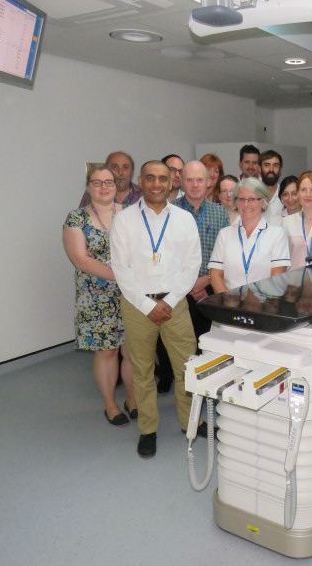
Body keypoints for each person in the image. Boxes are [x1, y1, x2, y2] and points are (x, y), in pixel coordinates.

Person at [110, 160, 202, 458]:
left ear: (171, 181)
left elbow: (192, 265)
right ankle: (148, 429)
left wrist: (170, 301)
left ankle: (191, 421)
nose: (157, 184)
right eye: (150, 178)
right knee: (143, 369)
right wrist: (149, 305)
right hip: (138, 305)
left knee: (187, 367)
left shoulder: (183, 219)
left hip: (175, 303)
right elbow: (121, 270)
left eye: (163, 178)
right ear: (141, 181)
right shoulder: (124, 220)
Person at [63, 165, 137, 426]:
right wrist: (120, 276)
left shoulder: (131, 214)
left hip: (130, 295)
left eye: (109, 182)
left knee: (132, 351)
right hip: (96, 297)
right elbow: (81, 260)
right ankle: (110, 404)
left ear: (116, 186)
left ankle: (132, 398)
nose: (104, 187)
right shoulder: (76, 219)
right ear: (88, 187)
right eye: (97, 182)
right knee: (107, 352)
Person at [173, 160, 230, 337]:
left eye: (200, 180)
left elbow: (225, 255)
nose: (195, 185)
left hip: (209, 288)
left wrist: (205, 280)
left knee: (207, 343)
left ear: (208, 182)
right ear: (181, 181)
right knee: (176, 347)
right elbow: (166, 253)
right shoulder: (169, 211)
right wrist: (189, 285)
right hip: (175, 291)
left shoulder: (220, 213)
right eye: (190, 180)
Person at [209, 177, 290, 292]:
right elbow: (215, 275)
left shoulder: (277, 235)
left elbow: (277, 278)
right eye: (241, 199)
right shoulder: (224, 234)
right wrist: (228, 302)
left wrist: (257, 305)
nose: (246, 204)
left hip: (264, 306)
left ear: (263, 202)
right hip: (230, 305)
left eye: (252, 199)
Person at [259, 149, 284, 218]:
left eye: (275, 166)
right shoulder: (252, 194)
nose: (271, 170)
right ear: (259, 168)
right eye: (267, 165)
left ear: (280, 169)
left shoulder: (285, 196)